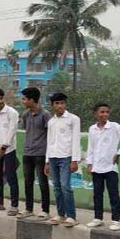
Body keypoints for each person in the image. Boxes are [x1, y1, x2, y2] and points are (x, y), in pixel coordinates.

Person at [85, 103, 120, 231]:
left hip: (111, 167)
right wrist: (89, 164)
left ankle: (116, 220)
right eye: (102, 112)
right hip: (96, 167)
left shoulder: (114, 127)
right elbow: (91, 148)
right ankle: (98, 218)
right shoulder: (92, 129)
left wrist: (119, 153)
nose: (104, 114)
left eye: (107, 112)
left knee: (113, 194)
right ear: (95, 113)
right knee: (97, 194)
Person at [44, 92, 81, 227]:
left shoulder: (73, 119)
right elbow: (49, 141)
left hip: (66, 157)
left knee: (66, 186)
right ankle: (60, 214)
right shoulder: (51, 122)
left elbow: (76, 140)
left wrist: (74, 160)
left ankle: (71, 216)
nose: (60, 106)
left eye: (62, 103)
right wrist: (47, 161)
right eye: (57, 103)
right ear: (53, 105)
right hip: (53, 157)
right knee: (57, 187)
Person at [18, 87, 52, 219]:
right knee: (28, 182)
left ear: (32, 99)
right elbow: (25, 129)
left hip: (41, 154)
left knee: (43, 182)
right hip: (27, 153)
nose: (23, 101)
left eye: (24, 99)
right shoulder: (26, 115)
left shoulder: (45, 115)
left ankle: (45, 210)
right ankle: (28, 209)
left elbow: (50, 134)